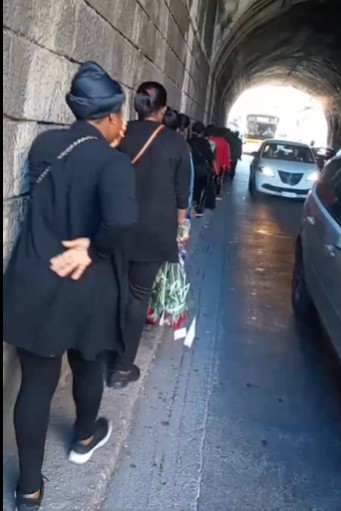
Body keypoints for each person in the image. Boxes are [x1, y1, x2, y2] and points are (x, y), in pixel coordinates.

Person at [3, 62, 138, 511]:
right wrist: (92, 248)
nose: (123, 126)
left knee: (36, 384)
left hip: (33, 277)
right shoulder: (114, 163)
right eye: (120, 118)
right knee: (88, 363)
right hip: (84, 285)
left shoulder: (45, 145)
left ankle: (28, 490)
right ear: (111, 116)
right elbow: (121, 220)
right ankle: (84, 436)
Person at [108, 82, 192, 389]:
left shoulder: (120, 134)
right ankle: (121, 368)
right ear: (163, 109)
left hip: (116, 226)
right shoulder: (176, 143)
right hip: (155, 232)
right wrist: (180, 229)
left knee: (113, 289)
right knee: (138, 295)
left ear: (137, 106)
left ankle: (99, 350)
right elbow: (182, 197)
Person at [189, 122, 215, 217]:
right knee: (201, 189)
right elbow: (210, 157)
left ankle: (189, 205)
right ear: (202, 132)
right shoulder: (205, 143)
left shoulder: (188, 141)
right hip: (202, 169)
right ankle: (199, 208)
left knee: (190, 187)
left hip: (190, 167)